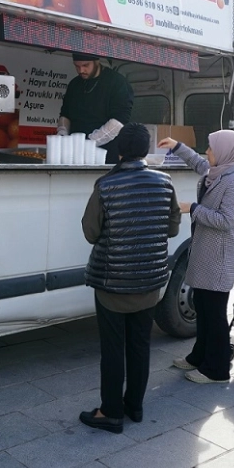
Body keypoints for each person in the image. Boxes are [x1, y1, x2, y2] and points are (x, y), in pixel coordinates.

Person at [79, 123, 181, 433]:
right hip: (150, 282)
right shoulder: (165, 183)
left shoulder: (106, 185)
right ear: (145, 150)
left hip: (113, 285)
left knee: (113, 350)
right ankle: (134, 406)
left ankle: (110, 412)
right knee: (140, 345)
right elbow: (173, 228)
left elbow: (90, 231)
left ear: (119, 150)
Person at [158, 131, 234, 384]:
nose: (207, 153)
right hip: (205, 253)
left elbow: (226, 221)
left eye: (211, 148)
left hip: (220, 257)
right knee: (202, 307)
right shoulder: (217, 172)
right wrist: (177, 146)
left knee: (213, 313)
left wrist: (193, 208)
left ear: (225, 152)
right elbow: (197, 163)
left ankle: (217, 369)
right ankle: (198, 356)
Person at [57, 52, 134, 163]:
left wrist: (90, 142)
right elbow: (65, 114)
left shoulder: (117, 82)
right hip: (75, 155)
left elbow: (118, 122)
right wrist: (62, 134)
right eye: (77, 66)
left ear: (96, 61)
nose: (81, 70)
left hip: (106, 156)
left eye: (85, 65)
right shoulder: (74, 84)